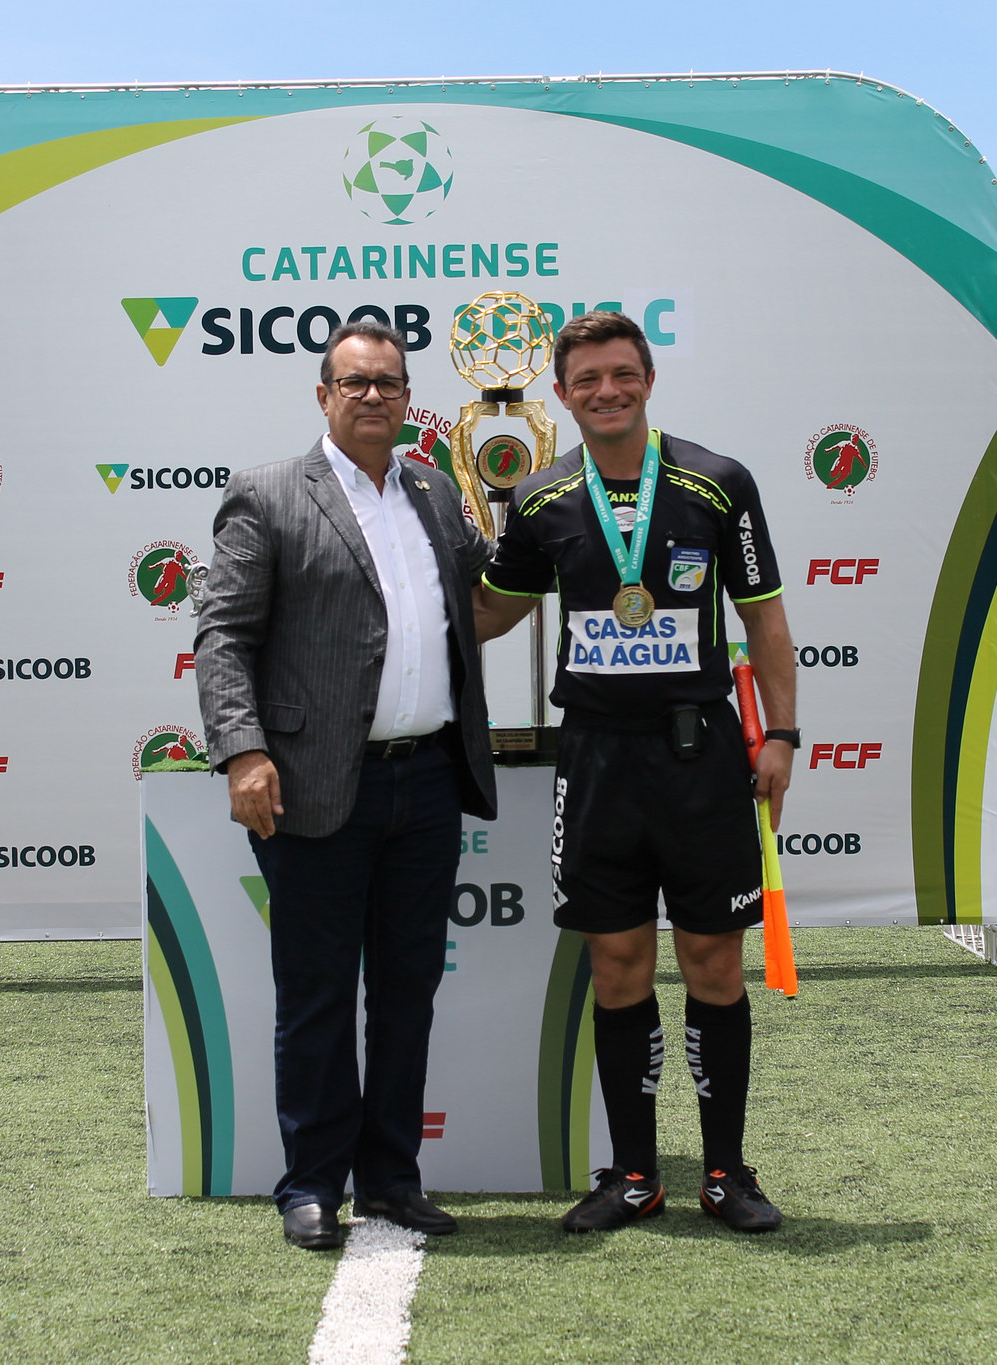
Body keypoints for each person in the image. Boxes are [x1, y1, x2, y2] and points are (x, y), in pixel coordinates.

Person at [474, 310, 795, 1236]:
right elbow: (492, 611)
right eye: (586, 380)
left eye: (621, 374)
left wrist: (784, 735)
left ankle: (728, 1170)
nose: (605, 391)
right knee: (616, 965)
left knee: (713, 963)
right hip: (596, 759)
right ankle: (637, 1172)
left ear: (647, 378)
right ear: (563, 394)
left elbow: (766, 618)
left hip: (699, 757)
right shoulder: (540, 499)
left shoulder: (717, 483)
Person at [193, 319, 499, 1251]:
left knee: (409, 991)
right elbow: (223, 636)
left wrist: (542, 513)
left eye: (391, 383)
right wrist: (243, 750)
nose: (375, 396)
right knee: (319, 993)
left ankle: (393, 1178)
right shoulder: (270, 493)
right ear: (323, 396)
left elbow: (483, 606)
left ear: (411, 399)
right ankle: (312, 1182)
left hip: (430, 782)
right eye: (355, 382)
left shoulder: (438, 492)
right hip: (315, 785)